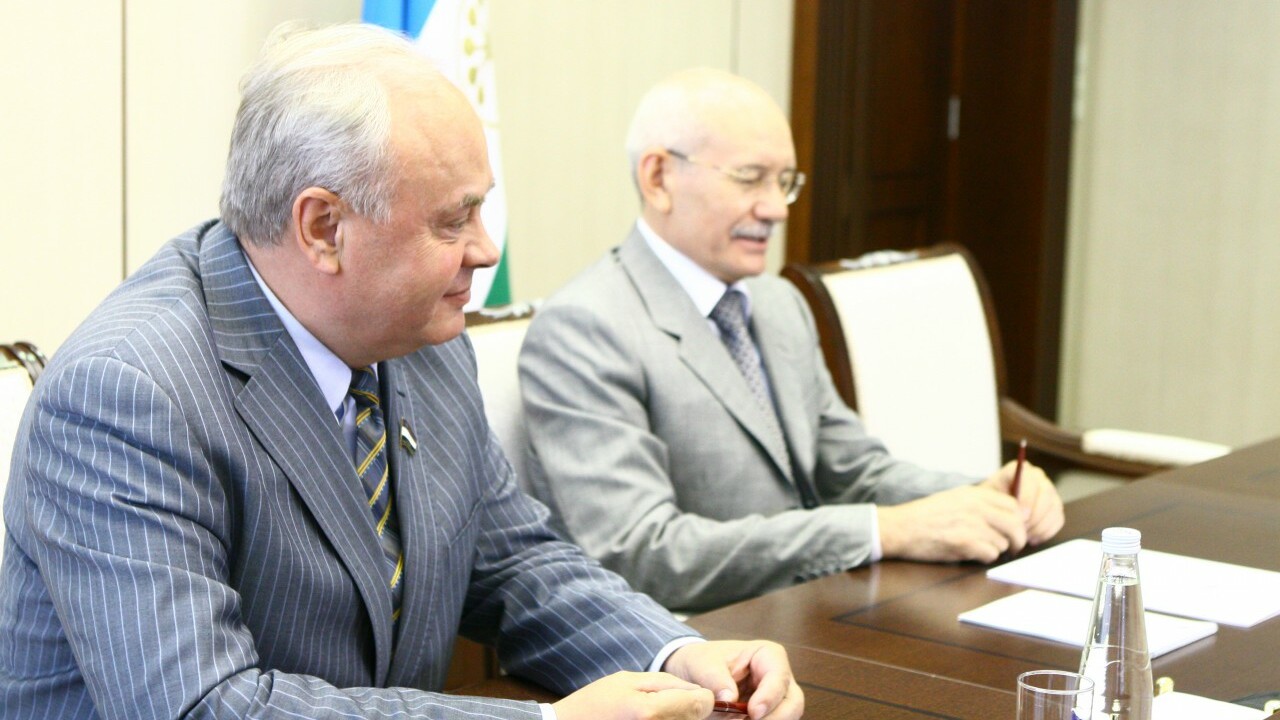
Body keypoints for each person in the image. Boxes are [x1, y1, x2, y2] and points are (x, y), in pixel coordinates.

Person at [0, 27, 803, 720]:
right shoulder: (129, 392)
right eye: (454, 220)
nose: (486, 250)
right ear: (324, 227)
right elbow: (206, 705)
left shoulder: (420, 335)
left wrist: (674, 653)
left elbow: (513, 562)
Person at [517, 67, 1064, 614]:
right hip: (696, 640)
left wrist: (979, 497)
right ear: (659, 177)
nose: (777, 208)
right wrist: (884, 530)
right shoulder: (586, 327)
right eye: (750, 178)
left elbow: (852, 470)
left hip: (816, 610)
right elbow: (642, 552)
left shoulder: (778, 303)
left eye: (785, 182)